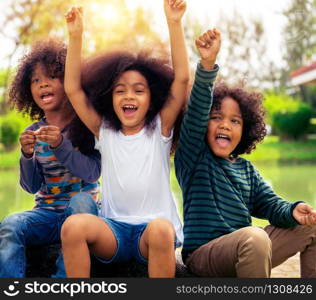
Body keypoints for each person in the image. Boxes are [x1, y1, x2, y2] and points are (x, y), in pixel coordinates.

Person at [61, 0, 190, 278]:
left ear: (151, 98)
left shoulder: (159, 129)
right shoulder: (104, 131)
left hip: (152, 236)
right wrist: (75, 36)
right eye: (120, 90)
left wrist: (174, 24)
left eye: (138, 90)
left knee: (160, 229)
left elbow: (181, 80)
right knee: (73, 226)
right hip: (114, 233)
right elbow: (72, 89)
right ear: (110, 98)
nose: (129, 96)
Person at [174, 29, 316, 277]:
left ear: (246, 129)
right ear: (203, 125)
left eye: (235, 121)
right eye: (216, 118)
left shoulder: (246, 170)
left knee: (311, 227)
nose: (225, 125)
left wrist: (294, 209)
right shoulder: (194, 157)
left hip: (248, 249)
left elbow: (271, 205)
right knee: (254, 237)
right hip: (204, 256)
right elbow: (197, 111)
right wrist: (207, 65)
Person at [0, 39, 101, 278]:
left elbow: (92, 173)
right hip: (46, 214)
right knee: (11, 223)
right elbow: (31, 186)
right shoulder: (35, 131)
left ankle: (62, 283)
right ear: (28, 89)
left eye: (52, 76)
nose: (43, 83)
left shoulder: (86, 126)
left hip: (82, 215)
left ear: (69, 81)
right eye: (35, 80)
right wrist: (27, 155)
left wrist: (60, 145)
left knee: (81, 201)